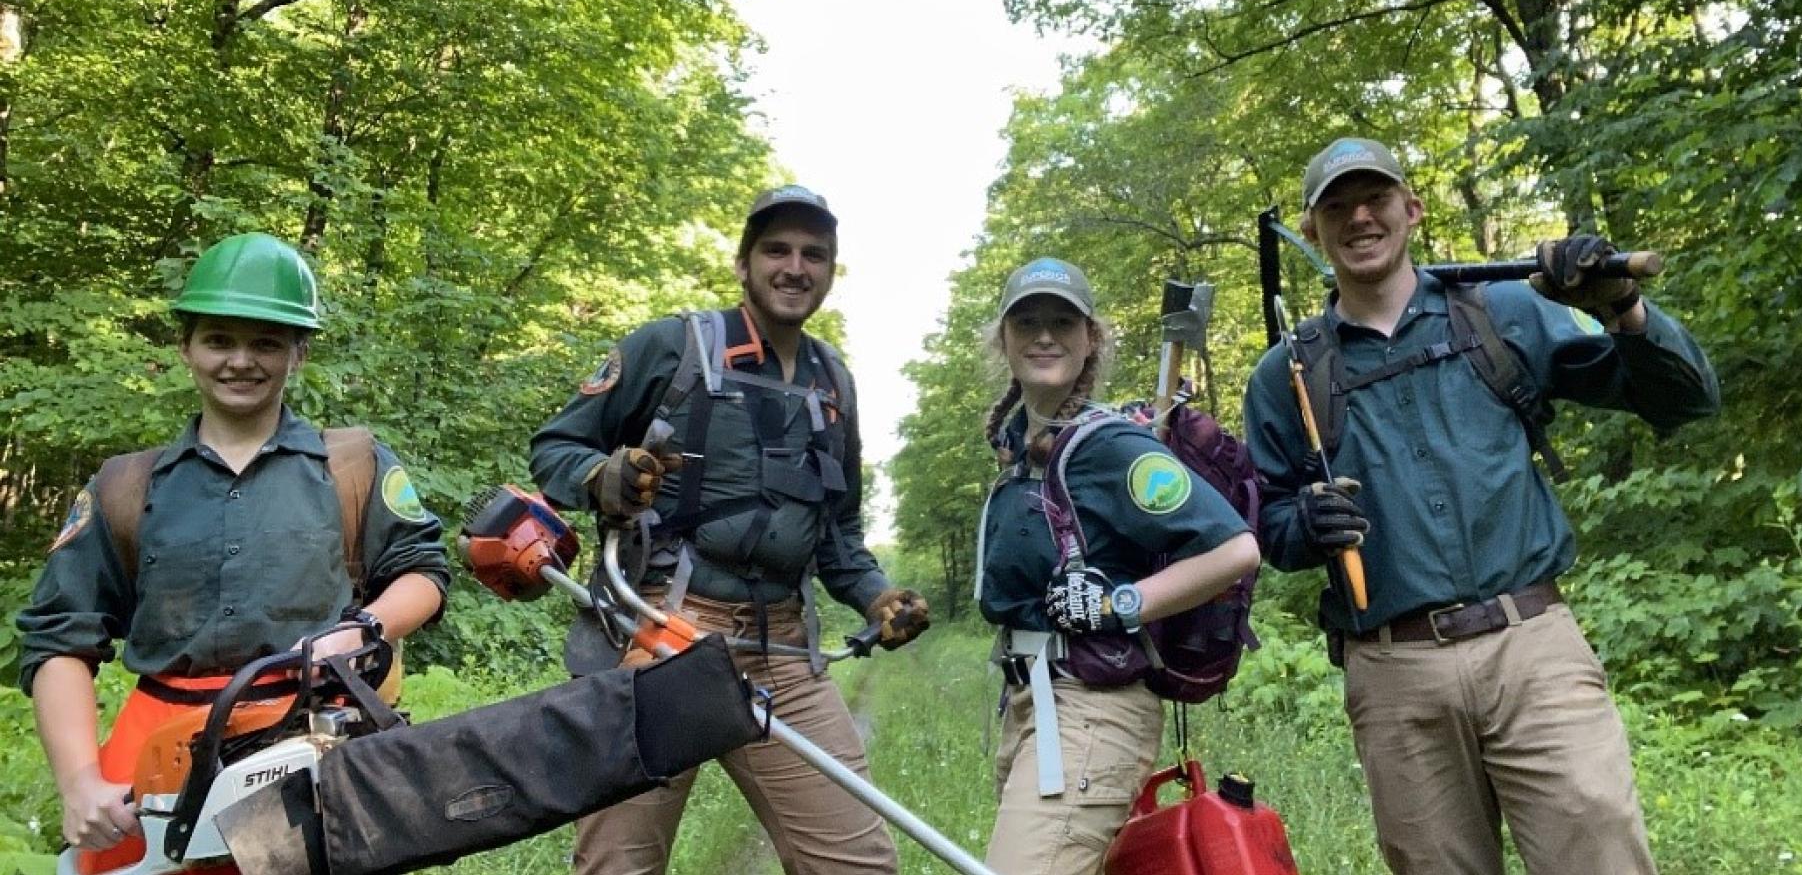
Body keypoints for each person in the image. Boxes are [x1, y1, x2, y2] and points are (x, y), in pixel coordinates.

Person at [1244, 137, 1721, 874]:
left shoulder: (1503, 315)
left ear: (1412, 208)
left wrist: (1622, 306)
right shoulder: (1289, 373)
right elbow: (1267, 524)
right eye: (1335, 206)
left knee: (1598, 849)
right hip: (1392, 671)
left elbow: (1686, 400)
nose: (1359, 217)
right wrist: (1302, 525)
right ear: (1312, 231)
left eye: (1375, 198)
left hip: (1532, 647)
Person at [15, 232, 450, 871]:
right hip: (158, 754)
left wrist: (359, 631)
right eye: (219, 339)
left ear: (298, 354)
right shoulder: (126, 487)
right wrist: (80, 781)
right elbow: (59, 639)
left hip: (311, 743)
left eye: (266, 343)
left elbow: (424, 572)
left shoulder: (352, 466)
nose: (240, 361)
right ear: (185, 347)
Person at [530, 184, 930, 875]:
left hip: (783, 649)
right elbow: (556, 447)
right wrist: (605, 478)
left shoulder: (834, 382)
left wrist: (874, 595)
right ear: (743, 264)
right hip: (663, 631)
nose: (795, 267)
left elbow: (838, 529)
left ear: (831, 271)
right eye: (776, 249)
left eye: (814, 254)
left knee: (857, 863)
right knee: (617, 866)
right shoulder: (670, 347)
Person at [974, 257, 1261, 875]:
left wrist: (1118, 603)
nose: (1044, 335)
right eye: (1027, 322)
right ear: (1004, 338)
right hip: (1032, 706)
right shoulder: (1023, 446)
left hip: (1092, 710)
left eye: (1062, 321)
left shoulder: (1106, 445)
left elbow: (1234, 549)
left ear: (1090, 339)